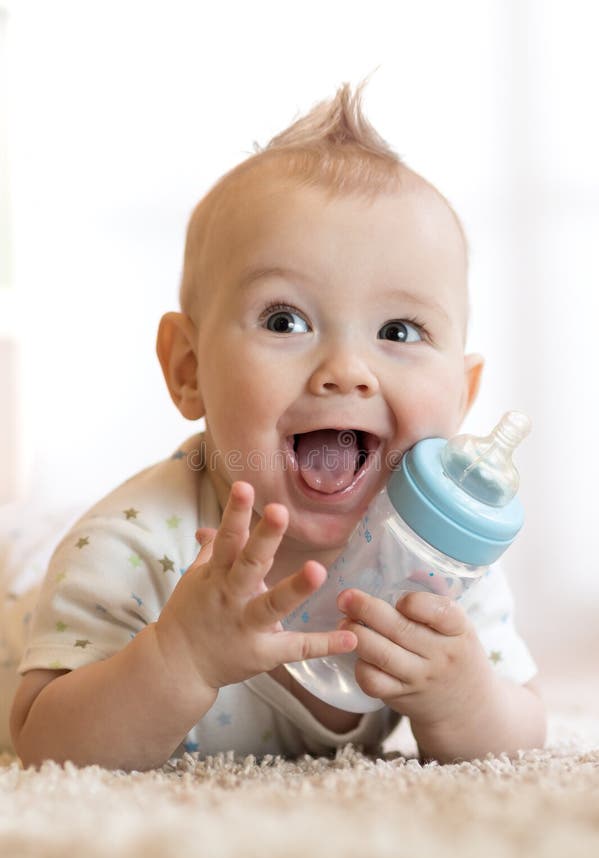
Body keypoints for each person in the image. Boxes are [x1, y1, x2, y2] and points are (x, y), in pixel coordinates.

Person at [9, 80, 546, 771]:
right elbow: (45, 748)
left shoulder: (434, 562)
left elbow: (520, 732)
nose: (346, 370)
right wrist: (180, 657)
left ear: (462, 396)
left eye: (399, 330)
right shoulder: (133, 547)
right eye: (284, 320)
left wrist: (464, 699)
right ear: (189, 369)